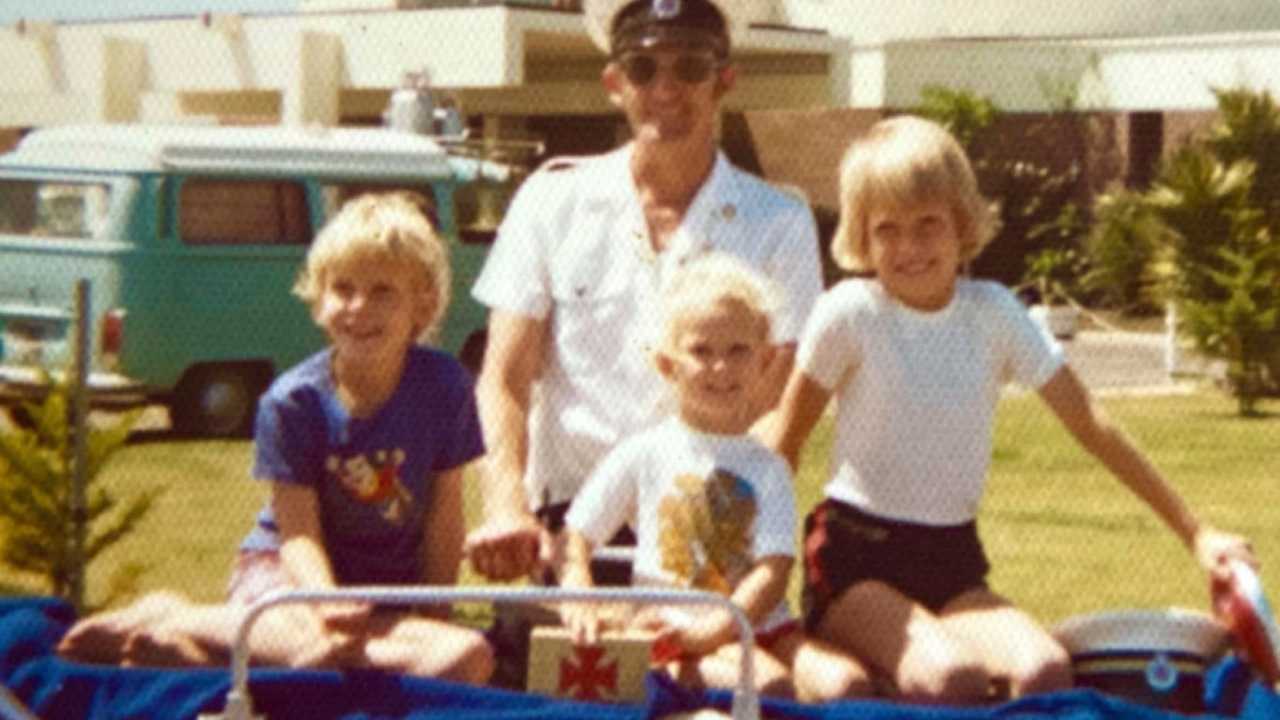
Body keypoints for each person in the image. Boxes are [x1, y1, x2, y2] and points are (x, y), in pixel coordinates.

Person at [764, 115, 1259, 705]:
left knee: (1045, 672)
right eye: (887, 229)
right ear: (862, 239)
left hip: (952, 560)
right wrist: (749, 576)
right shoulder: (849, 313)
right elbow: (783, 446)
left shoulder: (993, 313)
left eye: (928, 224)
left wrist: (1197, 533)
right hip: (853, 564)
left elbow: (1090, 422)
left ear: (962, 225)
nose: (910, 247)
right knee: (948, 680)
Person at [57, 192, 494, 684]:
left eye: (382, 292)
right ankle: (186, 623)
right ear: (317, 298)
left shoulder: (445, 386)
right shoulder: (293, 402)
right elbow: (298, 534)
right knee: (316, 655)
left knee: (462, 658)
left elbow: (445, 515)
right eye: (342, 289)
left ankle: (191, 639)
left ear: (424, 303)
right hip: (289, 581)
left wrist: (434, 613)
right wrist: (325, 600)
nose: (358, 308)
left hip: (380, 593)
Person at [465, 0, 824, 586]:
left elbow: (779, 402)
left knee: (708, 674)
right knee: (567, 670)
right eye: (642, 68)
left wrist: (726, 520)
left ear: (724, 81)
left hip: (711, 518)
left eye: (690, 67)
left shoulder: (778, 220)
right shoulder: (552, 201)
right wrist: (508, 506)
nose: (665, 87)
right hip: (572, 525)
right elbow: (504, 378)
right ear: (614, 84)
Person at [558, 253, 872, 701]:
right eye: (701, 352)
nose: (721, 368)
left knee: (847, 684)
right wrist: (579, 592)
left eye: (737, 351)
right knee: (768, 686)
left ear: (764, 361)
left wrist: (719, 631)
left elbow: (772, 571)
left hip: (758, 623)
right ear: (668, 365)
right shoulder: (644, 452)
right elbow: (576, 535)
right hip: (671, 626)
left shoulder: (767, 467)